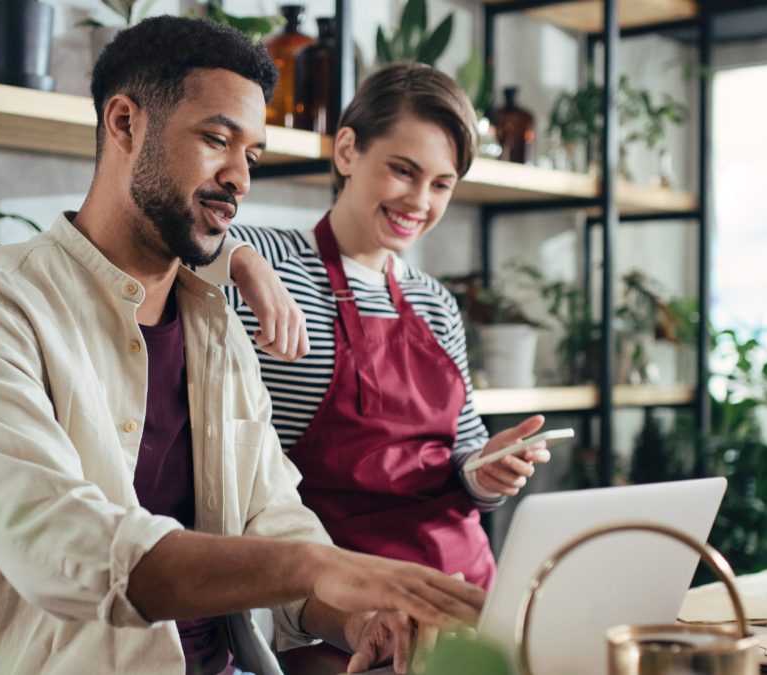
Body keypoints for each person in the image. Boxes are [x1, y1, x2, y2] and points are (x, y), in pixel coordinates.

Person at [0, 16, 485, 675]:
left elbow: (271, 514)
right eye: (218, 139)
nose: (240, 177)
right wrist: (323, 564)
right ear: (125, 123)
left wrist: (355, 616)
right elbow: (62, 545)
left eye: (253, 157)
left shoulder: (217, 326)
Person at [217, 63, 553, 649]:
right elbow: (169, 246)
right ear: (347, 150)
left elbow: (460, 457)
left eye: (442, 184)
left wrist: (488, 471)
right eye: (403, 170)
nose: (419, 202)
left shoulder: (436, 302)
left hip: (462, 589)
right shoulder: (267, 260)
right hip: (341, 609)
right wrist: (239, 261)